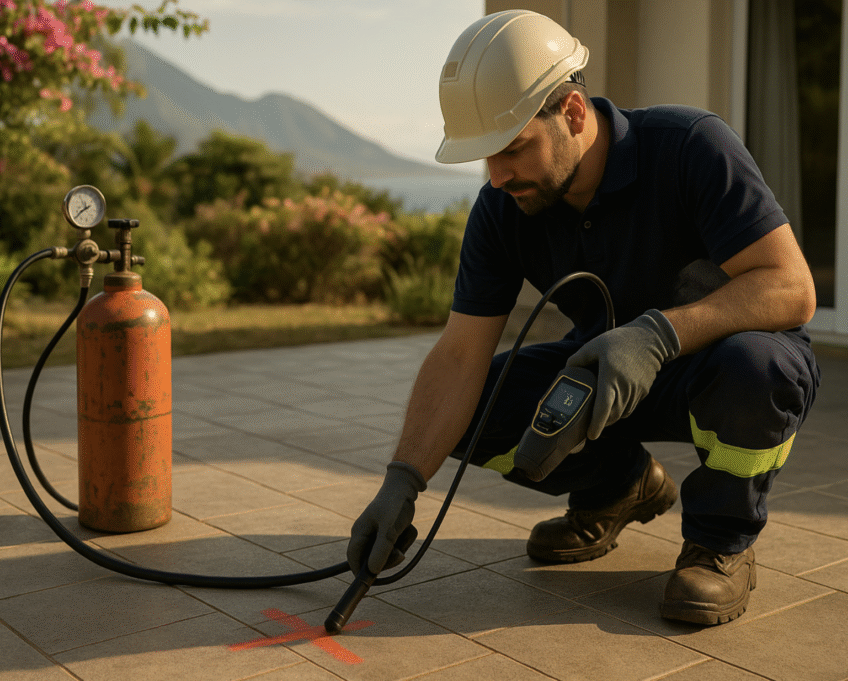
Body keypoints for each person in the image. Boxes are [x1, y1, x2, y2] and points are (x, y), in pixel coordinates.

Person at [346, 9, 820, 626]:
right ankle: (617, 488)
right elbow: (459, 354)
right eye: (485, 157)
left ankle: (721, 544)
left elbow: (792, 287)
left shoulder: (690, 147)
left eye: (513, 149)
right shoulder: (503, 206)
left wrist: (657, 335)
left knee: (759, 369)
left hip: (716, 366)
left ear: (571, 112)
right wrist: (402, 479)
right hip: (606, 379)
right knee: (473, 406)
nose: (497, 176)